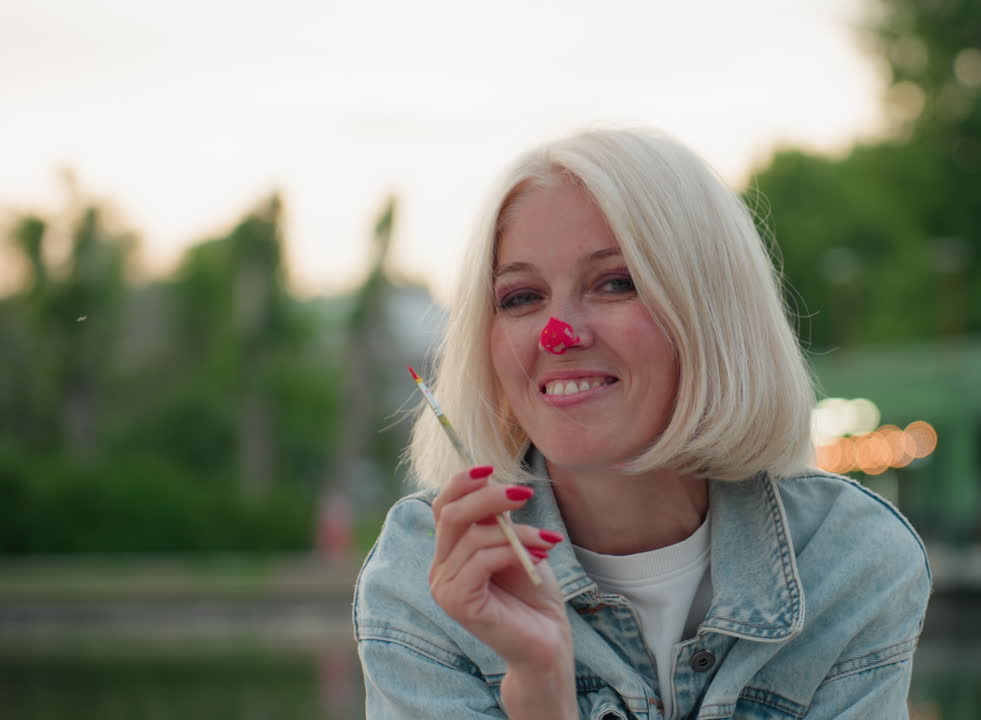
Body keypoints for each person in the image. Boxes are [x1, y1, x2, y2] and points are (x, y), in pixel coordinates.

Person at [353, 128, 931, 719]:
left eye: (614, 283)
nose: (560, 334)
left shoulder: (846, 559)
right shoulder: (425, 577)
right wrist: (540, 688)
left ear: (709, 311)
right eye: (522, 297)